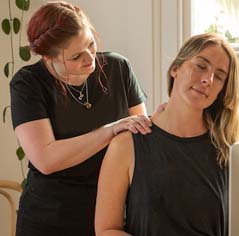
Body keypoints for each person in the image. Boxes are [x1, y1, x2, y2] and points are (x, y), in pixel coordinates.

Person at [10, 1, 153, 235]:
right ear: (49, 58)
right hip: (50, 218)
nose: (89, 59)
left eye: (91, 44)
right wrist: (109, 130)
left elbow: (141, 140)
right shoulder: (28, 83)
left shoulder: (118, 68)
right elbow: (46, 159)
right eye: (76, 56)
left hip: (111, 214)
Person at [95, 33, 239, 236]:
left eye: (219, 76)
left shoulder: (230, 151)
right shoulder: (126, 144)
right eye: (201, 66)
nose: (208, 79)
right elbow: (106, 230)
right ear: (176, 68)